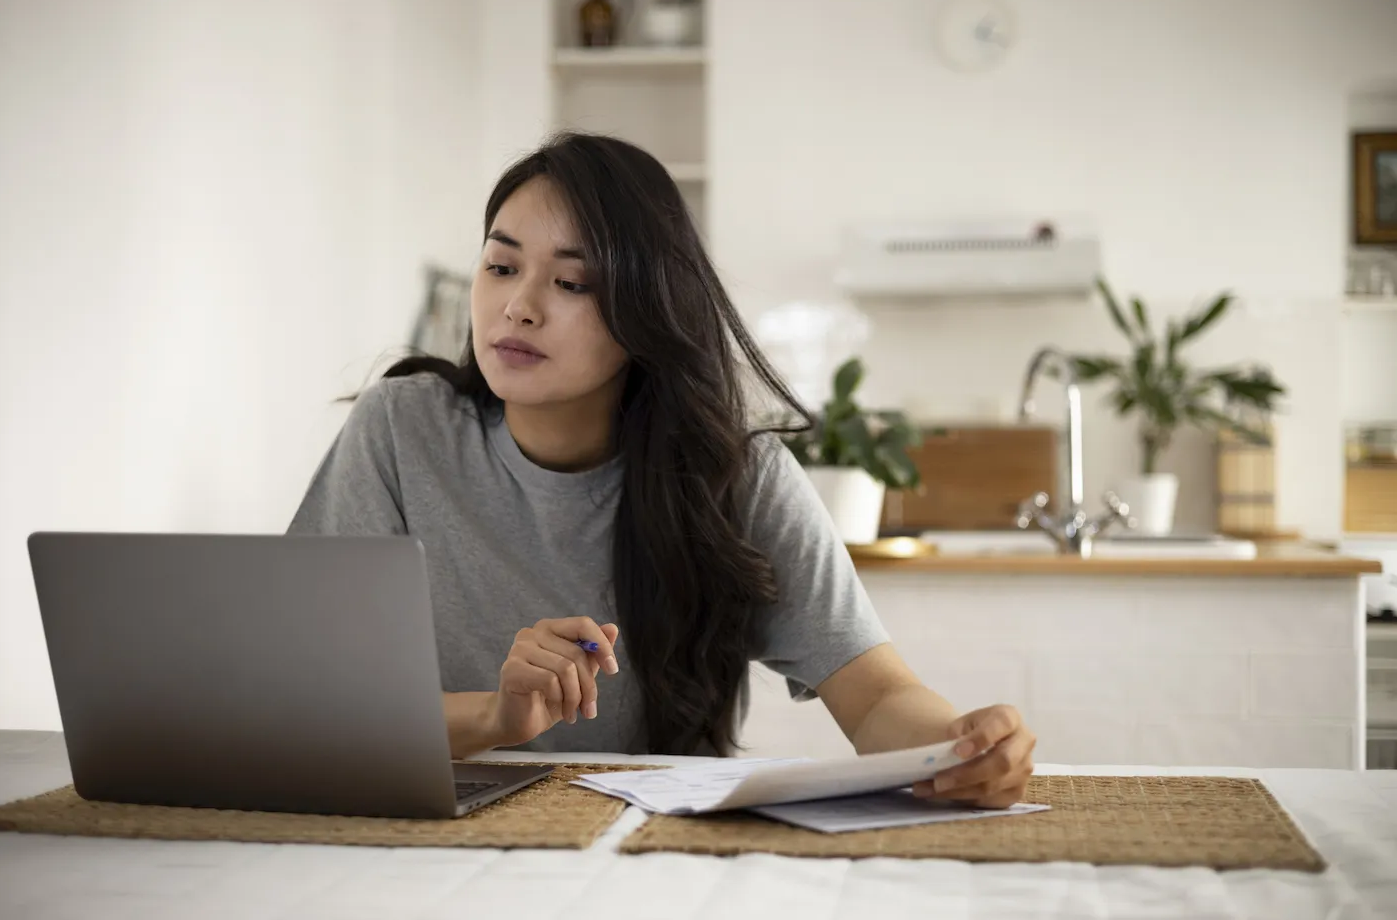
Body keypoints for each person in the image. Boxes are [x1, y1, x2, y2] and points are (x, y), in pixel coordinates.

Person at [289, 132, 1035, 808]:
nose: (517, 306)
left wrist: (962, 746)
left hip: (654, 850)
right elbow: (314, 698)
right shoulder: (401, 429)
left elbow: (875, 701)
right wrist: (497, 716)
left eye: (571, 283)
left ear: (647, 311)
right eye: (501, 264)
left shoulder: (736, 477)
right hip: (429, 836)